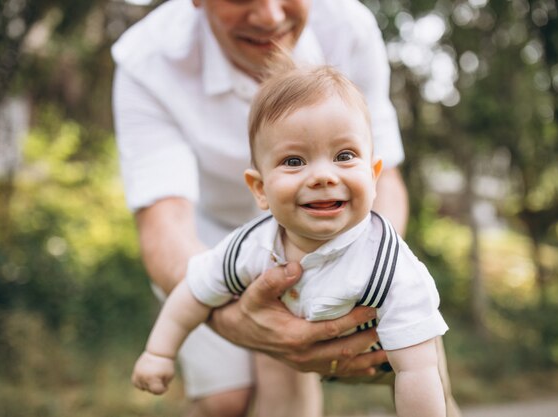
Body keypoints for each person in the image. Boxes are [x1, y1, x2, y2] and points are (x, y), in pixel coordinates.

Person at [112, 0, 460, 416]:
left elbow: (386, 181)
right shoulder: (148, 60)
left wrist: (364, 268)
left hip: (354, 247)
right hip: (217, 232)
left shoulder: (349, 26)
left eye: (343, 157)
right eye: (295, 161)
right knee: (228, 400)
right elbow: (167, 233)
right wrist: (163, 350)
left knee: (421, 361)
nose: (271, 16)